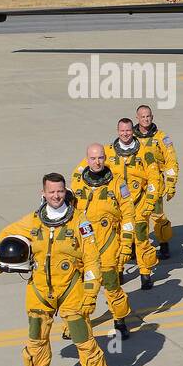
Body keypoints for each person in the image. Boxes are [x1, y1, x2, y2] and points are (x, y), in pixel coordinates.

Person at [0, 173, 108, 366]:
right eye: (51, 192)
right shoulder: (33, 220)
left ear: (65, 192)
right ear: (43, 193)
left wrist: (91, 293)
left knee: (82, 337)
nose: (56, 196)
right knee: (36, 337)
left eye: (60, 191)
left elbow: (92, 260)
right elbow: (5, 235)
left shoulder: (80, 222)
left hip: (71, 289)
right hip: (40, 290)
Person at [70, 143, 139, 338]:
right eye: (93, 158)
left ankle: (120, 319)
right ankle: (78, 321)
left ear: (105, 158)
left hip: (108, 243)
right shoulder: (78, 184)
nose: (97, 162)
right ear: (87, 159)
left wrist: (126, 244)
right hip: (84, 245)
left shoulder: (117, 184)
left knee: (111, 286)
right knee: (80, 287)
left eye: (100, 158)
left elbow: (128, 214)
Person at [105, 117, 162, 289]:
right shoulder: (108, 152)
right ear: (117, 131)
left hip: (139, 205)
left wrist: (150, 201)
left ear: (132, 130)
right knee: (118, 240)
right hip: (118, 208)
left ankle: (145, 273)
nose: (125, 134)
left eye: (128, 130)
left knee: (141, 240)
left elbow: (154, 176)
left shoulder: (144, 152)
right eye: (122, 130)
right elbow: (87, 168)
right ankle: (119, 270)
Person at [134, 104, 179, 259]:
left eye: (148, 116)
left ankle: (164, 242)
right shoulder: (131, 139)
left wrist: (171, 183)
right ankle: (139, 244)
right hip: (136, 185)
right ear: (137, 118)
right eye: (142, 117)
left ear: (152, 117)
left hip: (156, 183)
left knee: (158, 216)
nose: (146, 119)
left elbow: (171, 161)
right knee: (137, 217)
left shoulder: (161, 137)